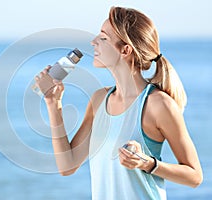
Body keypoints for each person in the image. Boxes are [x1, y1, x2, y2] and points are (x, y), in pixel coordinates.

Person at [34, 6, 203, 200]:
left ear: (125, 50)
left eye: (103, 38)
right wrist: (53, 105)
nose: (93, 42)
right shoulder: (99, 100)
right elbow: (67, 166)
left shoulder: (158, 105)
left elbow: (194, 176)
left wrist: (147, 164)